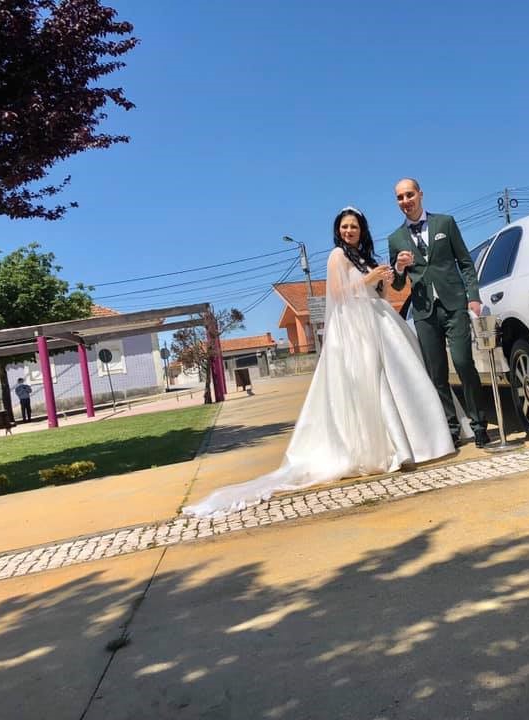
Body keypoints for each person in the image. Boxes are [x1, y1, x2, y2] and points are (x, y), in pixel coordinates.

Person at [183, 207, 468, 518]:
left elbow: (381, 295)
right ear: (338, 230)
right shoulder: (337, 256)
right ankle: (392, 448)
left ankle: (423, 440)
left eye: (354, 226)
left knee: (404, 380)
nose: (349, 231)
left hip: (379, 319)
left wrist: (384, 279)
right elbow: (337, 293)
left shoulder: (365, 257)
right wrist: (369, 278)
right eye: (345, 227)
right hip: (354, 327)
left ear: (362, 230)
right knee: (374, 383)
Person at [389, 178, 489, 449]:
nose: (405, 201)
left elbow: (465, 262)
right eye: (400, 197)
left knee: (463, 363)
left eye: (409, 195)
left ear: (420, 194)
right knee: (437, 374)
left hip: (454, 305)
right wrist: (399, 268)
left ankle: (479, 424)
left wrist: (473, 296)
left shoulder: (445, 223)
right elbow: (397, 284)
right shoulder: (395, 239)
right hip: (424, 313)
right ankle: (451, 429)